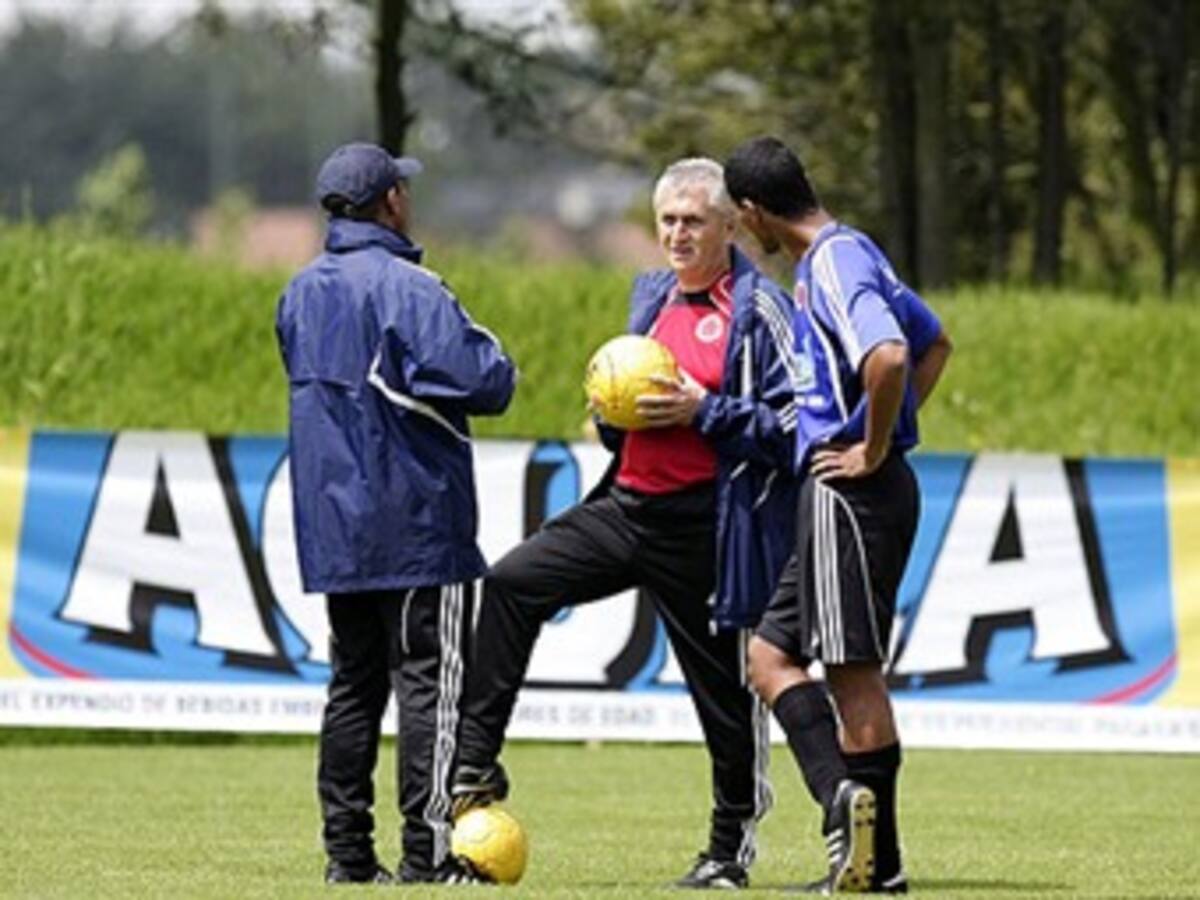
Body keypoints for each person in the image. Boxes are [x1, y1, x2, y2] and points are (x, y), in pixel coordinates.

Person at [449, 157, 801, 889]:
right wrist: (613, 416)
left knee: (724, 700)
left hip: (704, 529)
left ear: (729, 226)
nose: (676, 233)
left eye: (693, 221)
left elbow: (793, 428)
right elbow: (627, 423)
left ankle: (727, 850)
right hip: (625, 507)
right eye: (667, 220)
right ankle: (474, 767)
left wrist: (703, 409)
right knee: (512, 582)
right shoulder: (649, 297)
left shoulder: (760, 309)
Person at [275, 142, 517, 885]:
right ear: (390, 202)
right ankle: (431, 852)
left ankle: (347, 856)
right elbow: (486, 379)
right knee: (429, 688)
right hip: (415, 521)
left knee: (353, 687)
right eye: (402, 189)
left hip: (336, 525)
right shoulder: (410, 287)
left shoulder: (298, 292)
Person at [723, 136, 952, 895]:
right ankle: (841, 807)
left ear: (754, 212)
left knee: (853, 675)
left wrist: (870, 444)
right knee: (770, 656)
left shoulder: (829, 262)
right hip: (846, 489)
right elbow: (935, 342)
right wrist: (881, 434)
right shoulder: (856, 248)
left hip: (849, 490)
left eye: (739, 218)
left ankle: (877, 868)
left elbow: (889, 356)